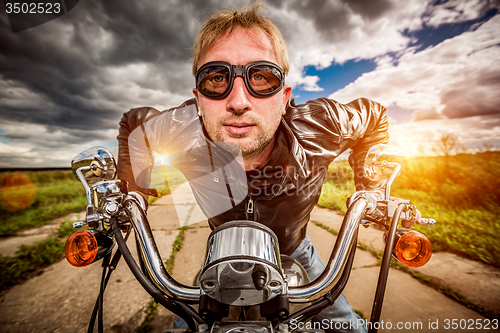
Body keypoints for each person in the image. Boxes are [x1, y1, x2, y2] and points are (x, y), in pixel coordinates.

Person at [117, 1, 416, 332]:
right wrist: (134, 192)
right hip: (221, 251)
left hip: (294, 249)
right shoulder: (180, 128)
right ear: (198, 99)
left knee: (351, 329)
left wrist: (371, 189)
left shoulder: (323, 125)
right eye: (216, 78)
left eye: (261, 77)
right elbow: (133, 124)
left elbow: (374, 117)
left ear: (285, 95)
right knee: (187, 325)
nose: (239, 102)